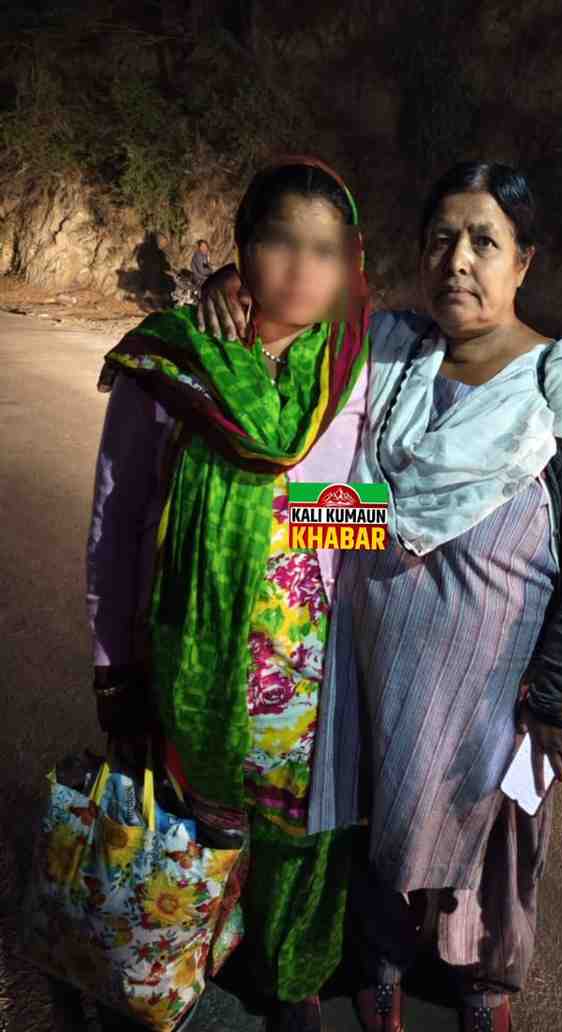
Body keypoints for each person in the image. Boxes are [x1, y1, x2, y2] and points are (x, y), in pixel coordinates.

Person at [199, 161, 562, 1032]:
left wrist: (561, 697)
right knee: (382, 818)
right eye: (441, 239)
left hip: (498, 689)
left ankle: (482, 980)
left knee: (493, 831)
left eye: (484, 242)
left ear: (523, 261)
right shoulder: (393, 352)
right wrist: (236, 285)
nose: (458, 259)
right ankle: (382, 963)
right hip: (378, 667)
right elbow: (307, 320)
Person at [86, 157, 370, 1032]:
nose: (301, 267)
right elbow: (115, 523)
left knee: (301, 840)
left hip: (310, 677)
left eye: (325, 249)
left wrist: (297, 524)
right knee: (193, 833)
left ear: (349, 264)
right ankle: (177, 960)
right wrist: (112, 665)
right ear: (243, 245)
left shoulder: (359, 369)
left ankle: (292, 980)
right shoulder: (173, 361)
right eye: (280, 240)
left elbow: (359, 521)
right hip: (191, 662)